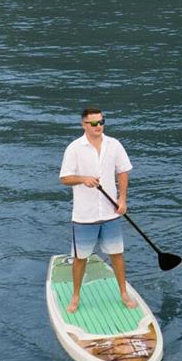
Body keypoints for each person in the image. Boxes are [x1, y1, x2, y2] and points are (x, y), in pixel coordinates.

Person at [59, 105, 136, 316]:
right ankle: (75, 296)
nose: (98, 126)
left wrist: (122, 199)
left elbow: (123, 172)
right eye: (94, 123)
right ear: (83, 124)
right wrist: (83, 179)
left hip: (110, 214)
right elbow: (65, 178)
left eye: (101, 122)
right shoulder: (74, 148)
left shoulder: (114, 145)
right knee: (80, 258)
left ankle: (123, 293)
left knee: (117, 255)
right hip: (85, 215)